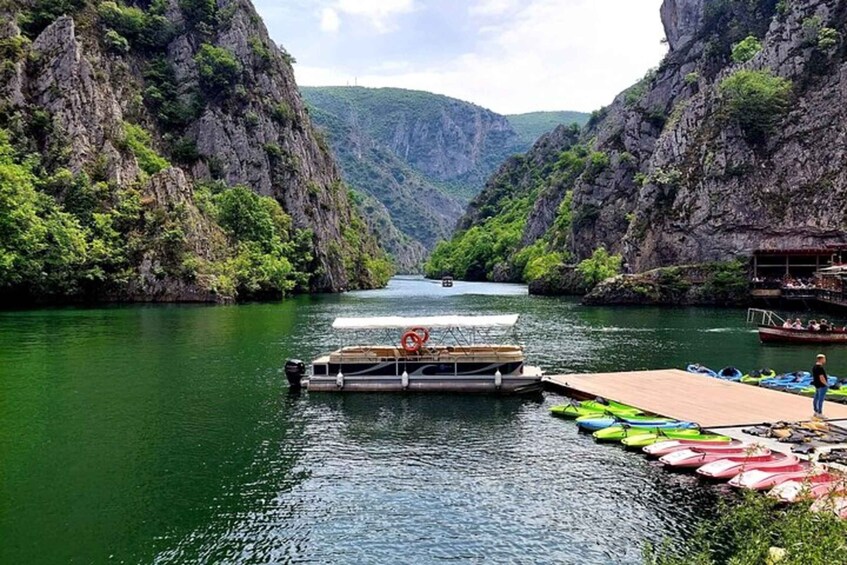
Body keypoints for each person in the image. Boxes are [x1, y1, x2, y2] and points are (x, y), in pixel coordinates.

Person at [812, 354, 829, 419]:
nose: (825, 360)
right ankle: (820, 412)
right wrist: (826, 384)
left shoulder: (814, 367)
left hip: (817, 384)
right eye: (824, 359)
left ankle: (816, 411)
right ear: (821, 359)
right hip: (822, 385)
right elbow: (821, 377)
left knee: (816, 398)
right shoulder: (820, 368)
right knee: (820, 399)